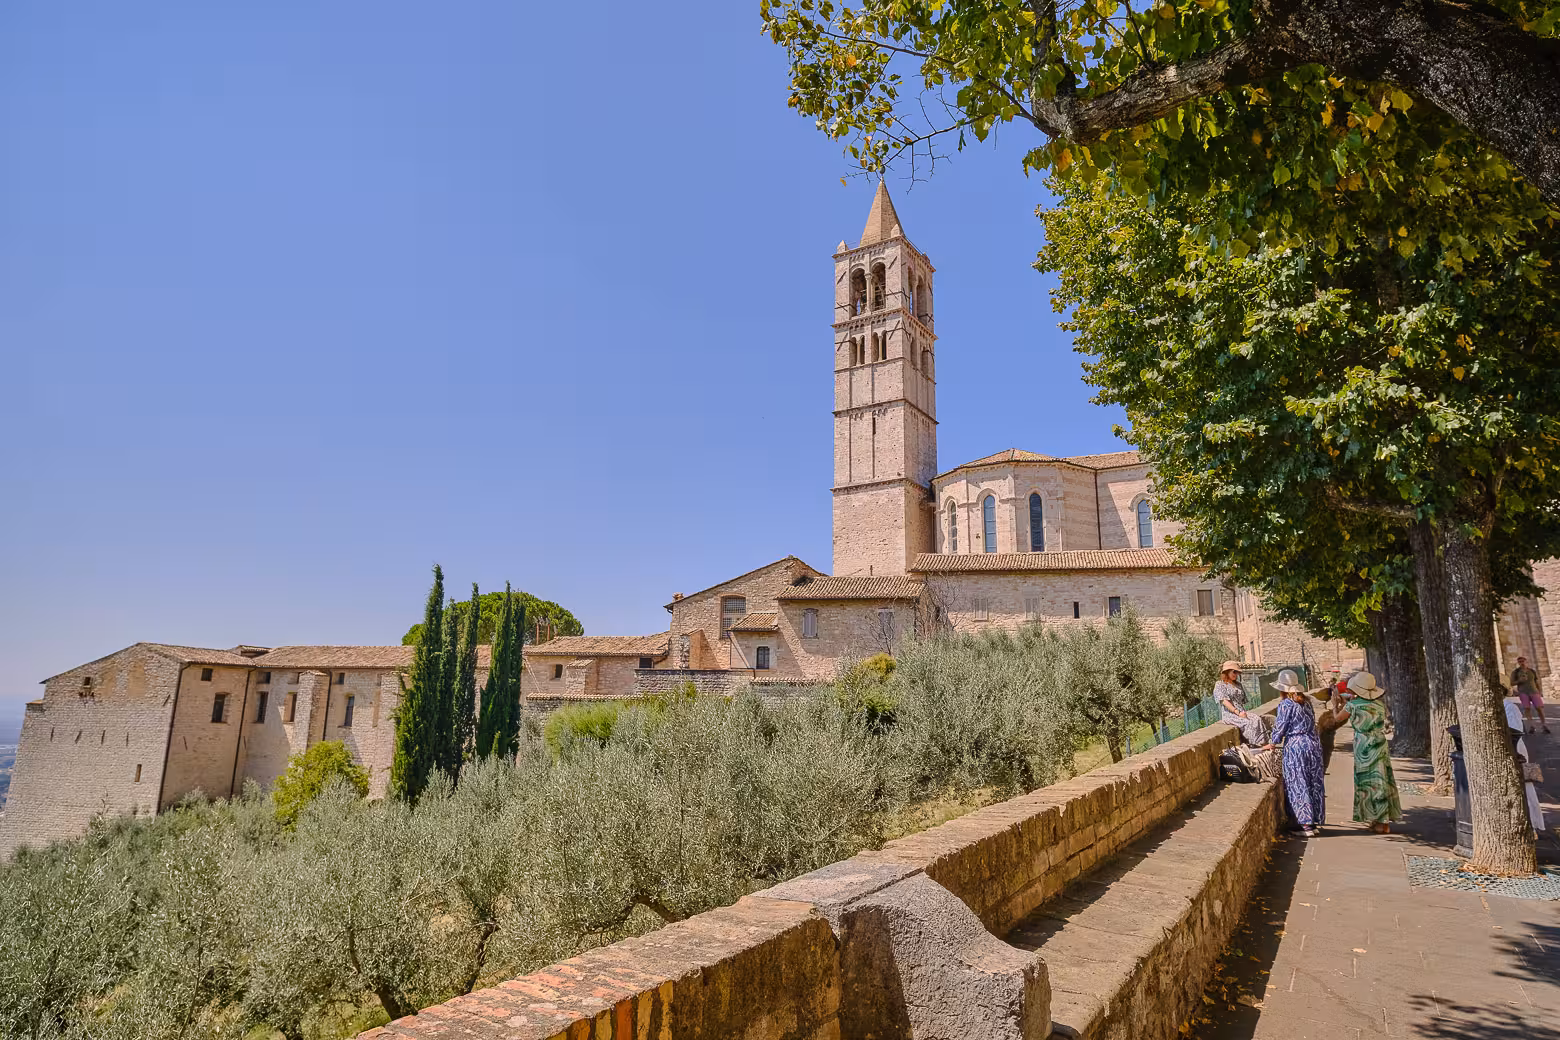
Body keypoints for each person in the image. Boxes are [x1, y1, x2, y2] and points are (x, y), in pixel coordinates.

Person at [1264, 675, 1326, 837]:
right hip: (1312, 744)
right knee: (1313, 782)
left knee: (1297, 783)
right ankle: (1312, 822)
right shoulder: (1307, 703)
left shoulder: (1286, 704)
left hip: (1296, 746)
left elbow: (1280, 726)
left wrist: (1272, 742)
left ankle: (1303, 825)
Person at [1342, 671, 1403, 834]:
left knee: (1368, 782)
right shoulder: (1379, 704)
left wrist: (1335, 705)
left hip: (1364, 745)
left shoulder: (1352, 705)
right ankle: (1382, 821)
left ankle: (1379, 821)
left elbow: (1336, 719)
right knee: (1382, 779)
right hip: (1380, 742)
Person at [1503, 691, 1549, 835]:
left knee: (1524, 787)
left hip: (1516, 749)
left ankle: (1531, 824)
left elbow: (1514, 731)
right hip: (1508, 748)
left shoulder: (1509, 707)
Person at [1214, 661, 1269, 746]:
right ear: (1227, 671)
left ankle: (1263, 743)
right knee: (1248, 723)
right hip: (1230, 714)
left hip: (1242, 712)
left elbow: (1242, 701)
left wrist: (1242, 712)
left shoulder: (1238, 685)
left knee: (1256, 719)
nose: (1236, 674)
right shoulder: (1220, 685)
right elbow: (1224, 701)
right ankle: (1253, 745)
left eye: (1238, 672)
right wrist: (1237, 712)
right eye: (1234, 672)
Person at [1511, 656, 1550, 734]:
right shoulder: (1515, 672)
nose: (1522, 663)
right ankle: (1532, 726)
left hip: (1534, 691)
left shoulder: (1532, 671)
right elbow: (1512, 683)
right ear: (1518, 663)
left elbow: (1536, 681)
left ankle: (1544, 725)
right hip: (1523, 692)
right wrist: (1519, 680)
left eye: (1523, 661)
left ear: (1526, 662)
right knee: (1527, 708)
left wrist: (1539, 691)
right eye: (1520, 661)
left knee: (1539, 708)